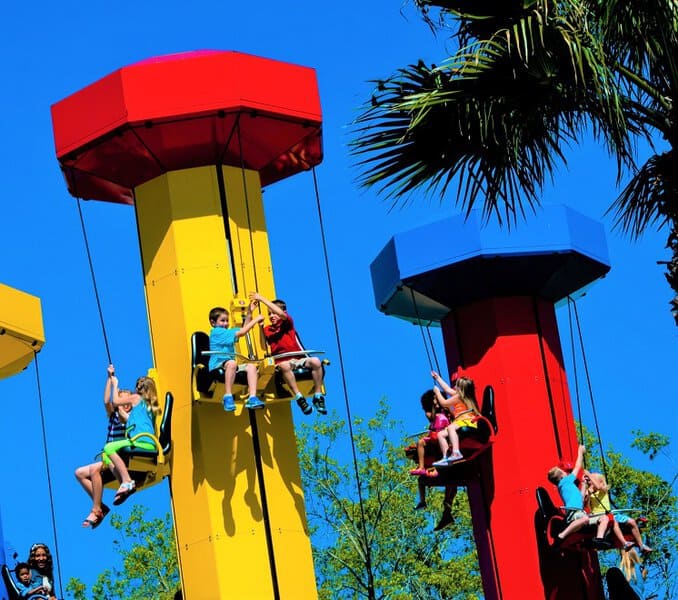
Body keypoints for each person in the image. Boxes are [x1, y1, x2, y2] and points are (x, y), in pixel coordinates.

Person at [248, 291, 327, 416]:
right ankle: (299, 397)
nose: (271, 316)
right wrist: (261, 328)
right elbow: (264, 346)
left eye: (273, 313)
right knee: (285, 366)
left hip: (298, 358)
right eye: (269, 314)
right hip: (283, 361)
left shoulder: (287, 323)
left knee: (316, 361)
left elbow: (281, 314)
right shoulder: (268, 329)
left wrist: (262, 299)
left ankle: (318, 395)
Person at [75, 365, 132, 529]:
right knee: (79, 473)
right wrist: (109, 379)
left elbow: (122, 415)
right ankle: (101, 505)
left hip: (120, 458)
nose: (123, 403)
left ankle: (96, 508)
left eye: (126, 400)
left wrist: (117, 390)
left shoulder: (127, 416)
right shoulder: (114, 414)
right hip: (109, 457)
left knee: (94, 471)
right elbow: (107, 401)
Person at [100, 367, 161, 505]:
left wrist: (115, 383)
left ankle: (127, 481)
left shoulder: (137, 398)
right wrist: (110, 378)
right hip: (145, 442)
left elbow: (114, 401)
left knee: (109, 448)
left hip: (142, 442)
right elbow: (118, 411)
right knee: (106, 453)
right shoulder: (146, 407)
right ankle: (124, 483)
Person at [547, 445, 613, 547]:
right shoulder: (565, 482)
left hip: (581, 513)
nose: (567, 473)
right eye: (565, 473)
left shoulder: (568, 486)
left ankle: (599, 539)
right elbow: (577, 466)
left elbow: (581, 499)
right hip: (574, 514)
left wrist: (584, 484)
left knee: (604, 518)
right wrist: (580, 452)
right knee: (584, 519)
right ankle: (562, 535)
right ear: (561, 477)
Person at [208, 303, 264, 412]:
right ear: (213, 322)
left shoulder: (227, 332)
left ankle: (252, 397)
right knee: (232, 363)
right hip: (217, 364)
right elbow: (243, 332)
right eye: (222, 321)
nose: (226, 323)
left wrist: (249, 313)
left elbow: (244, 328)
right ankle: (228, 395)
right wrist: (256, 319)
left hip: (228, 364)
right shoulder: (217, 332)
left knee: (251, 366)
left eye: (227, 321)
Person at [585, 471, 652, 553]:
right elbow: (587, 506)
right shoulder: (590, 493)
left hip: (611, 514)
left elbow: (599, 486)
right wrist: (588, 493)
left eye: (592, 479)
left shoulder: (603, 490)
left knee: (632, 522)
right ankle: (625, 543)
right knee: (613, 522)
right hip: (600, 516)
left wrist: (588, 474)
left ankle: (641, 545)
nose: (590, 481)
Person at [430, 371, 481, 467]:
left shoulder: (460, 396)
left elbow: (444, 403)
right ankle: (446, 457)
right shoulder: (461, 394)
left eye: (457, 386)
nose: (455, 387)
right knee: (440, 434)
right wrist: (438, 378)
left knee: (450, 428)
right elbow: (447, 389)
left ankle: (456, 452)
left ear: (461, 388)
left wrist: (437, 393)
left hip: (467, 420)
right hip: (460, 421)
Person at [410, 389, 450, 476]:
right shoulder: (433, 419)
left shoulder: (444, 414)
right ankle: (421, 467)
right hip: (433, 437)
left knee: (438, 447)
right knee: (420, 442)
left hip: (442, 437)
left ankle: (438, 468)